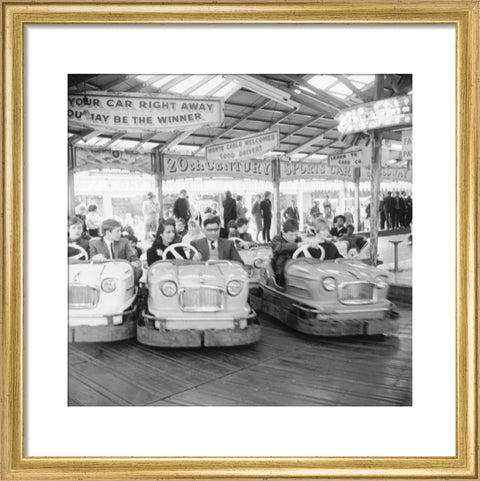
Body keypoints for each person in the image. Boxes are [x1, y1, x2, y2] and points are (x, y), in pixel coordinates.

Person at [271, 219, 313, 286]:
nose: (294, 237)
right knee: (282, 258)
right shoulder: (276, 239)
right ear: (283, 232)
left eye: (296, 234)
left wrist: (312, 245)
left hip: (297, 267)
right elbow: (280, 248)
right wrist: (297, 245)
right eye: (291, 235)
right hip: (281, 270)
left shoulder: (298, 239)